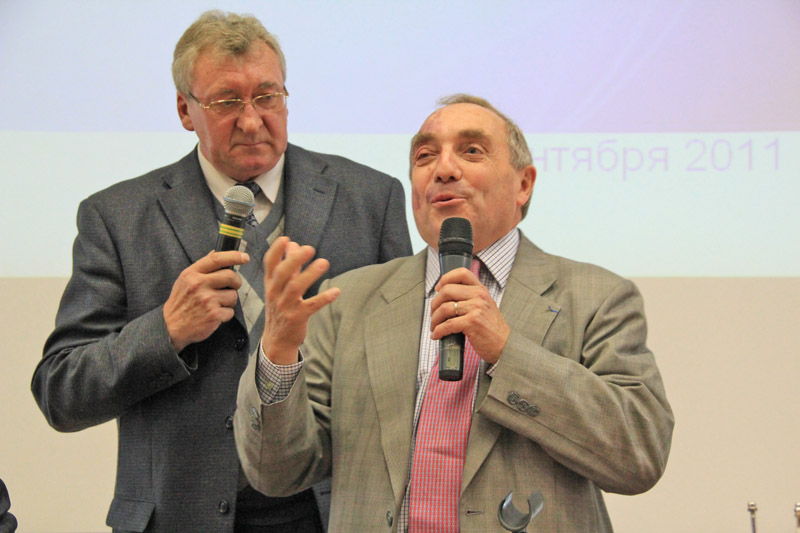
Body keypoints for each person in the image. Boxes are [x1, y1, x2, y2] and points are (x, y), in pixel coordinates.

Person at [31, 10, 411, 533]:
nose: (251, 121)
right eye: (227, 102)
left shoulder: (369, 199)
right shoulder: (117, 217)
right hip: (180, 516)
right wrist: (166, 330)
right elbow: (62, 393)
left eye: (267, 97)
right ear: (185, 110)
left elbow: (404, 364)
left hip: (331, 511)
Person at [234, 94, 674, 531]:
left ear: (524, 184)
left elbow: (639, 454)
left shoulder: (596, 296)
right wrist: (279, 353)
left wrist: (506, 351)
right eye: (425, 156)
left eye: (472, 151)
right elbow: (278, 472)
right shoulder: (350, 300)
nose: (443, 169)